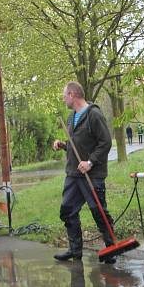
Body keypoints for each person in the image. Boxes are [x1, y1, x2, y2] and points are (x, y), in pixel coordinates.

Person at [52, 81, 115, 263]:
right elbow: (77, 144)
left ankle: (111, 249)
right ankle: (75, 250)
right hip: (73, 174)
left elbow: (106, 142)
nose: (64, 99)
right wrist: (64, 145)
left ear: (72, 95)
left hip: (92, 175)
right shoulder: (72, 118)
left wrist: (90, 162)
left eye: (65, 95)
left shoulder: (94, 115)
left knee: (98, 212)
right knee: (67, 211)